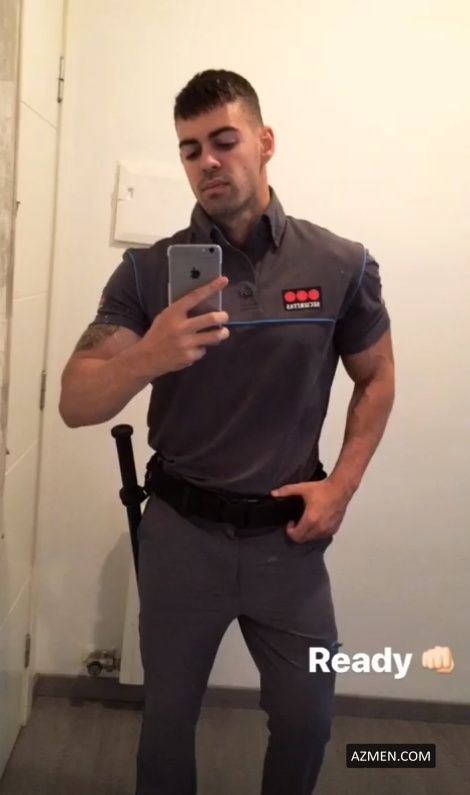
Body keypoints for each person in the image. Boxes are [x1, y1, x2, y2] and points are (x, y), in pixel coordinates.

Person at [59, 69, 395, 795]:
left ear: (265, 142)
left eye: (223, 140)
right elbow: (75, 402)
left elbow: (378, 377)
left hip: (289, 540)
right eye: (189, 149)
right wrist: (149, 355)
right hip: (181, 535)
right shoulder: (148, 272)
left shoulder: (340, 263)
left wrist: (340, 487)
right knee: (166, 723)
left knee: (308, 719)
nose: (207, 161)